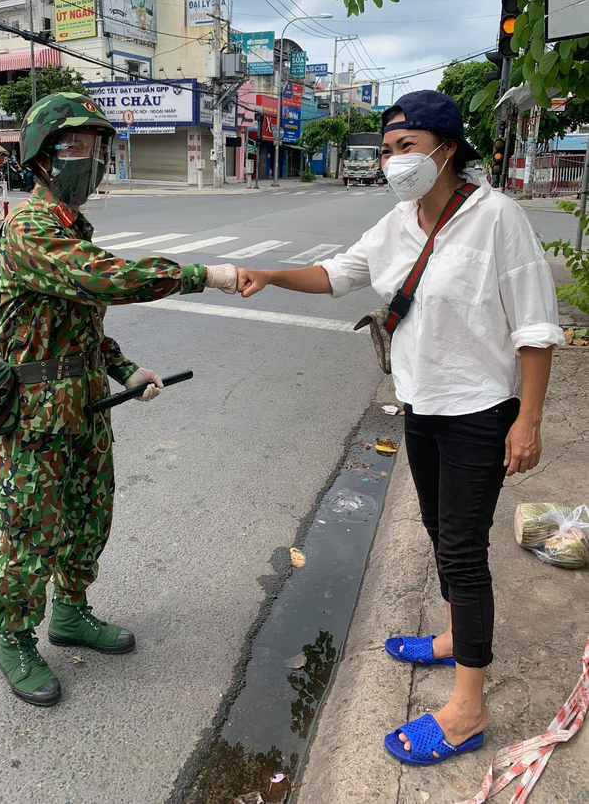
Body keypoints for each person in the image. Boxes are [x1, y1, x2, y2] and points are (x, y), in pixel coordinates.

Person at [236, 90, 563, 766]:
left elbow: (535, 328)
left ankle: (468, 709)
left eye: (404, 147)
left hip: (480, 411)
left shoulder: (498, 217)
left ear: (445, 148)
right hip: (421, 404)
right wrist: (268, 274)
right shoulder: (396, 225)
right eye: (385, 150)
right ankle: (450, 636)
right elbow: (337, 274)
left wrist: (527, 420)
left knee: (466, 550)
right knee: (440, 530)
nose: (391, 161)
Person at [0, 92, 238, 707]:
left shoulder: (74, 226)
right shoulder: (31, 229)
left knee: (89, 516)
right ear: (44, 156)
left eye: (99, 148)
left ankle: (71, 613)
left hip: (84, 408)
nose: (93, 159)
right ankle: (15, 640)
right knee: (29, 534)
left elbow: (85, 328)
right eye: (79, 146)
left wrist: (125, 369)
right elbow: (108, 280)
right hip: (35, 416)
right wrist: (200, 274)